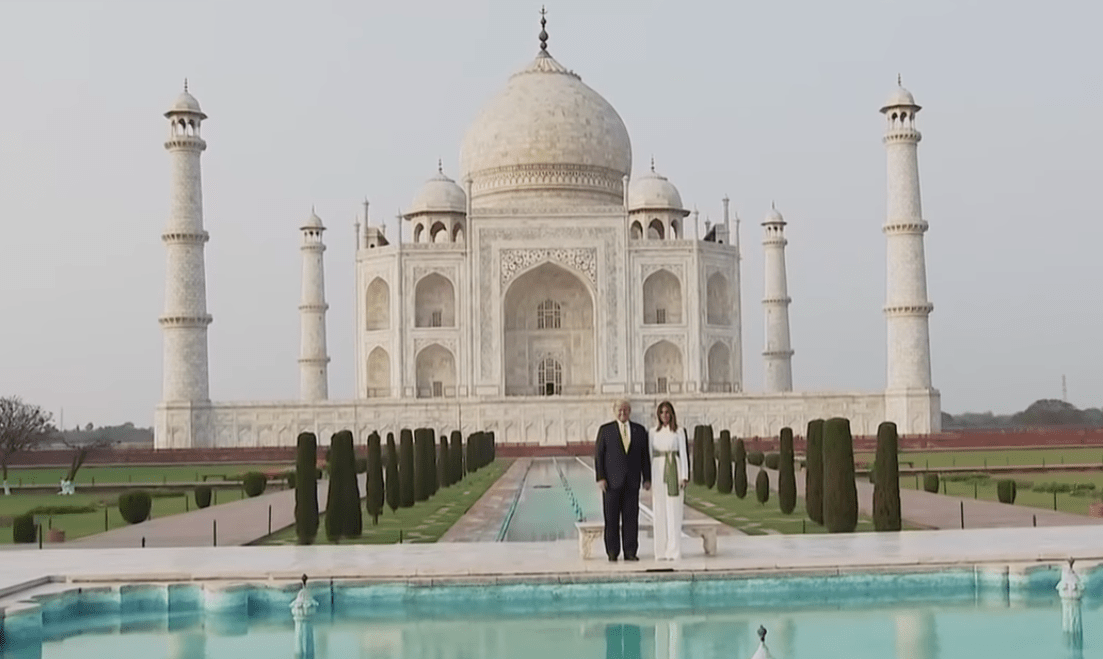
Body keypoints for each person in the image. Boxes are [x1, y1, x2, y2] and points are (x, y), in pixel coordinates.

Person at [594, 398, 651, 561]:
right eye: (619, 410)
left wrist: (647, 478)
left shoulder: (639, 431)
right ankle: (612, 552)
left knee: (631, 519)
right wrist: (600, 477)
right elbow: (599, 456)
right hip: (611, 483)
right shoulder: (606, 430)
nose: (622, 412)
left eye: (625, 409)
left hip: (632, 482)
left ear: (629, 411)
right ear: (614, 411)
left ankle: (630, 552)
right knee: (611, 519)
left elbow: (644, 456)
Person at [649, 400, 689, 560]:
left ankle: (674, 550)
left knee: (674, 511)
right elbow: (650, 454)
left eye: (667, 412)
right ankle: (660, 550)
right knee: (659, 511)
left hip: (674, 468)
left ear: (671, 414)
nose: (664, 415)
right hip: (658, 470)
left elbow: (684, 454)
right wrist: (648, 478)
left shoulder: (678, 432)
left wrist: (684, 476)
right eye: (662, 412)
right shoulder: (653, 432)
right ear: (658, 415)